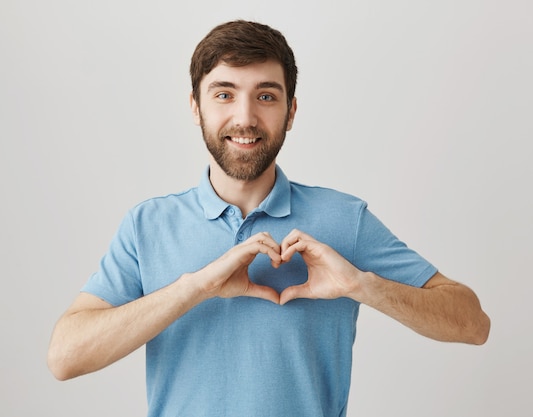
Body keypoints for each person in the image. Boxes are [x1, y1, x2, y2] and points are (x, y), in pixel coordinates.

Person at [47, 20, 490, 417]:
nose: (245, 118)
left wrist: (361, 285)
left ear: (291, 111)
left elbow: (472, 324)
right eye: (224, 94)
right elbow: (65, 356)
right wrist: (195, 287)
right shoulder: (147, 225)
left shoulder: (344, 219)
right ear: (195, 107)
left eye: (265, 96)